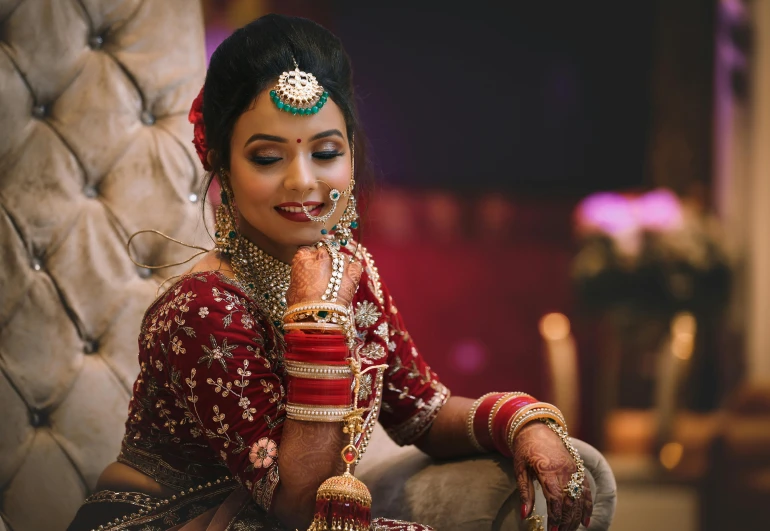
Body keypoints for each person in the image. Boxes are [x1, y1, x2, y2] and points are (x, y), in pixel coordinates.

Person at [67, 14, 592, 531]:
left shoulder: (353, 272)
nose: (303, 181)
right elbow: (296, 505)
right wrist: (317, 321)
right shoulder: (202, 307)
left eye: (325, 152)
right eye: (268, 157)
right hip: (165, 520)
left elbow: (423, 414)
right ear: (223, 168)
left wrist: (525, 422)